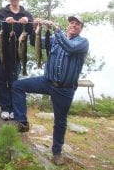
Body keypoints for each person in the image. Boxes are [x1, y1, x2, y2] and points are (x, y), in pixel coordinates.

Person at [11, 16, 89, 165]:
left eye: (77, 24)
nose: (73, 25)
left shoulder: (82, 43)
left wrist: (56, 29)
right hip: (46, 82)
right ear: (68, 25)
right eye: (71, 23)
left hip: (64, 89)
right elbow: (37, 43)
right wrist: (35, 29)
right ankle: (22, 122)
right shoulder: (55, 39)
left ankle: (57, 152)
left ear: (81, 28)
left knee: (60, 122)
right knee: (17, 86)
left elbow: (69, 47)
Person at [0, 0, 35, 120]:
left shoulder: (26, 14)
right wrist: (4, 23)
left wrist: (27, 23)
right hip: (0, 53)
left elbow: (31, 32)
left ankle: (14, 109)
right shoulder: (1, 13)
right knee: (1, 81)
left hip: (16, 55)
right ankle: (5, 107)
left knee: (14, 82)